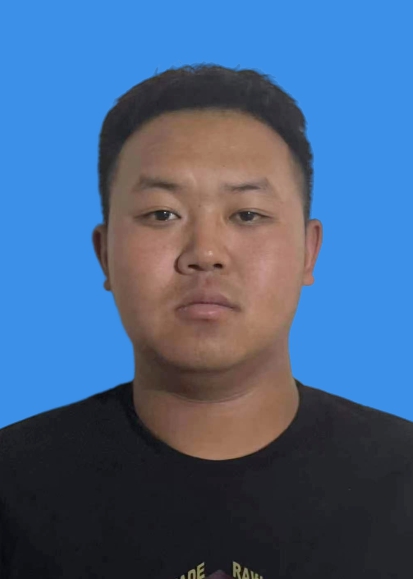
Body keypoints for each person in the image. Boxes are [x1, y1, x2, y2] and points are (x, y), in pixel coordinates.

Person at [0, 63, 412, 579]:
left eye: (247, 214)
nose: (206, 253)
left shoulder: (402, 480)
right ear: (104, 255)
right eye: (162, 214)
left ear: (309, 252)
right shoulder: (13, 490)